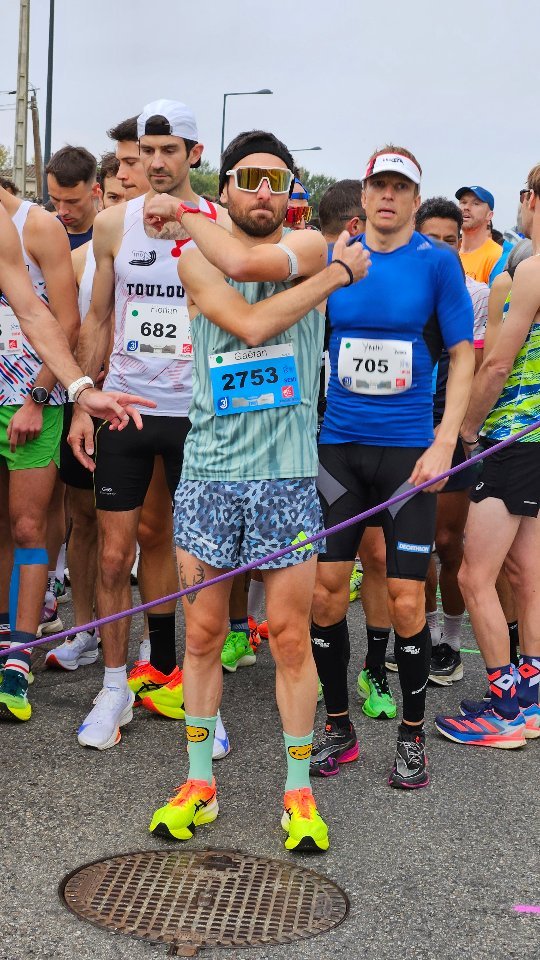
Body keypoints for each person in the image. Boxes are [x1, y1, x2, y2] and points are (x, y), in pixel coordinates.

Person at [141, 129, 370, 850]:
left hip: (285, 476)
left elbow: (254, 264)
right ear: (225, 186)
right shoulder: (195, 255)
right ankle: (200, 782)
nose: (263, 193)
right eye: (248, 179)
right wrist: (337, 278)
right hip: (210, 471)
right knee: (204, 634)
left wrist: (322, 266)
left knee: (291, 641)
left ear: (293, 192)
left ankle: (298, 793)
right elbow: (245, 320)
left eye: (277, 180)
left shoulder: (305, 246)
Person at [310, 146, 474, 788]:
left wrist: (442, 443)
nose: (388, 196)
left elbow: (462, 355)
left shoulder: (438, 265)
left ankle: (410, 737)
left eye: (400, 187)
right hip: (338, 450)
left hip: (409, 454)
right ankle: (340, 726)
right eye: (379, 184)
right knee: (325, 593)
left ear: (414, 195)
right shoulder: (336, 258)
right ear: (366, 190)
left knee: (408, 597)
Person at [68, 100, 229, 751]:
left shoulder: (220, 225)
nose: (157, 161)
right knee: (114, 554)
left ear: (194, 154)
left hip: (199, 415)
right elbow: (98, 319)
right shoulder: (113, 225)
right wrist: (84, 400)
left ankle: (204, 701)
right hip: (128, 409)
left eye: (171, 149)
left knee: (198, 562)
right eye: (147, 149)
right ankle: (114, 688)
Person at [0, 203, 155, 718]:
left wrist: (77, 388)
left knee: (27, 525)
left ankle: (15, 656)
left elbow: (35, 312)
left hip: (22, 397)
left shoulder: (15, 229)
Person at [436, 164, 540, 747]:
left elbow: (498, 363)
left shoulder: (530, 271)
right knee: (528, 574)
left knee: (477, 575)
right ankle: (529, 698)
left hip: (513, 439)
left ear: (530, 200)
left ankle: (503, 708)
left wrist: (466, 432)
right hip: (535, 445)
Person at [318, 179, 395, 720]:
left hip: (376, 439)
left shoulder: (385, 278)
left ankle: (373, 669)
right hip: (319, 440)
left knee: (376, 556)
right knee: (325, 568)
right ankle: (325, 674)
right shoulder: (314, 273)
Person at [415, 197, 488, 684]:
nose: (442, 247)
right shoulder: (396, 284)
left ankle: (451, 639)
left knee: (447, 543)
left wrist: (462, 432)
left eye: (451, 239)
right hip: (401, 428)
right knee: (410, 547)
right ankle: (416, 635)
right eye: (432, 238)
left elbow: (476, 364)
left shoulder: (476, 293)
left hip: (452, 429)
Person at [46, 146, 99, 250]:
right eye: (55, 199)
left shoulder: (113, 236)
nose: (62, 211)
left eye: (72, 201)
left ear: (94, 191)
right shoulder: (41, 234)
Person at [456, 185, 502, 283]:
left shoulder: (497, 257)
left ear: (489, 215)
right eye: (463, 202)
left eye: (476, 203)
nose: (466, 208)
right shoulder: (451, 253)